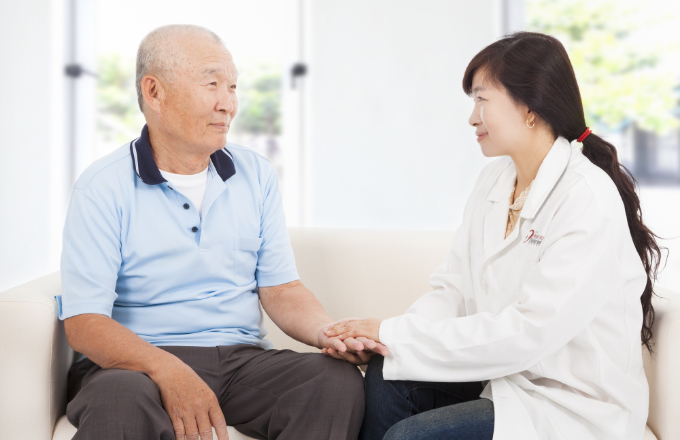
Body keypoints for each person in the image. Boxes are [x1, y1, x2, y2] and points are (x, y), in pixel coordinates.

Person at [324, 31, 662, 440]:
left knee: (409, 436)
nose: (472, 117)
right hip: (509, 380)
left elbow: (529, 333)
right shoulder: (493, 182)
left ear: (531, 108)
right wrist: (384, 337)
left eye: (482, 100)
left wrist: (392, 332)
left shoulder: (586, 197)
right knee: (389, 368)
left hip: (573, 406)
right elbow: (454, 291)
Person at [58, 24, 385, 440]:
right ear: (154, 92)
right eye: (212, 84)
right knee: (120, 397)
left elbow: (282, 290)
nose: (228, 104)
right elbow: (85, 322)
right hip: (136, 366)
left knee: (330, 381)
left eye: (232, 87)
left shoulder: (255, 174)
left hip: (239, 362)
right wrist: (168, 370)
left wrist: (327, 332)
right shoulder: (102, 186)